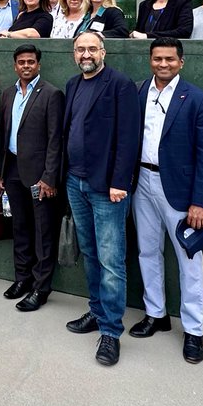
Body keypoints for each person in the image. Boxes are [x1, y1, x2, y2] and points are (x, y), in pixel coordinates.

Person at [129, 39, 203, 364]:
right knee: (148, 251)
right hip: (142, 182)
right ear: (150, 60)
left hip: (181, 191)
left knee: (189, 259)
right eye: (157, 58)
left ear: (181, 61)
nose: (163, 64)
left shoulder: (198, 99)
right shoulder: (140, 92)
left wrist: (200, 201)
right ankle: (156, 314)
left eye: (169, 59)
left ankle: (194, 331)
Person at [62, 31, 141, 366]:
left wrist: (120, 181)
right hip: (75, 182)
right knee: (91, 253)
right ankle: (96, 311)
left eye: (92, 48)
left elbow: (129, 136)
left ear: (103, 51)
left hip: (107, 187)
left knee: (111, 260)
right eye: (80, 49)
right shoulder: (73, 84)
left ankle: (110, 331)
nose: (86, 54)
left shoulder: (120, 84)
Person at [0, 43, 64, 312]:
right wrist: (1, 174)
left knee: (42, 232)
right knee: (20, 228)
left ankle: (41, 287)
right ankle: (22, 279)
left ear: (38, 64)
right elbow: (4, 135)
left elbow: (55, 140)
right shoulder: (7, 94)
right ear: (15, 66)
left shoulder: (51, 94)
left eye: (31, 62)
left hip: (40, 176)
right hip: (12, 170)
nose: (26, 66)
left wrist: (49, 177)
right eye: (21, 62)